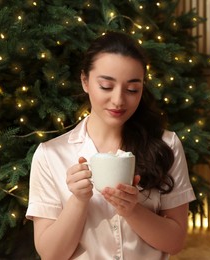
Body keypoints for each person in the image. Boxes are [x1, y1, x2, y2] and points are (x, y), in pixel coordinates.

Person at [26, 31, 196, 260]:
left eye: (132, 89)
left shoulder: (166, 144)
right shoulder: (50, 155)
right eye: (106, 86)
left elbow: (175, 242)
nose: (118, 100)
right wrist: (78, 200)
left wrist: (132, 210)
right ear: (85, 81)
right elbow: (51, 255)